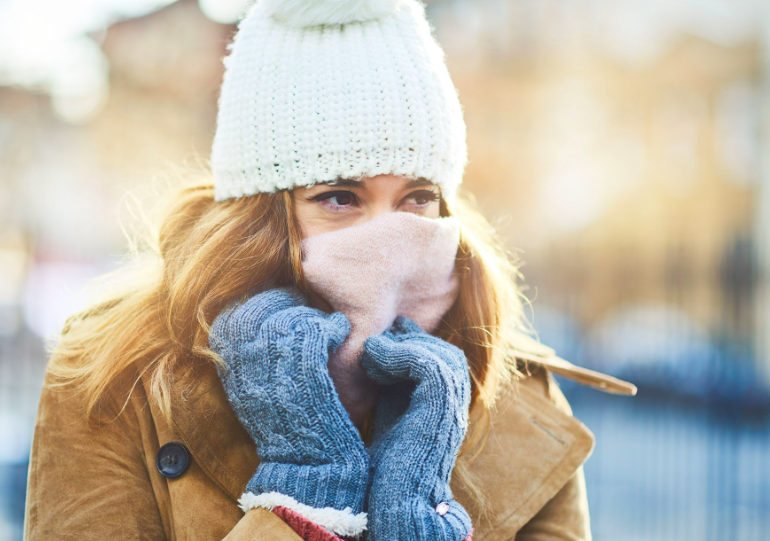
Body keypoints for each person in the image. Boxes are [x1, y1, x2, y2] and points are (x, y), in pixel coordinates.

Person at [23, 0, 636, 540]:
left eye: (417, 197)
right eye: (340, 198)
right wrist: (303, 499)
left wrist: (417, 523)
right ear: (259, 214)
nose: (389, 236)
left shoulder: (519, 402)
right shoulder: (117, 377)